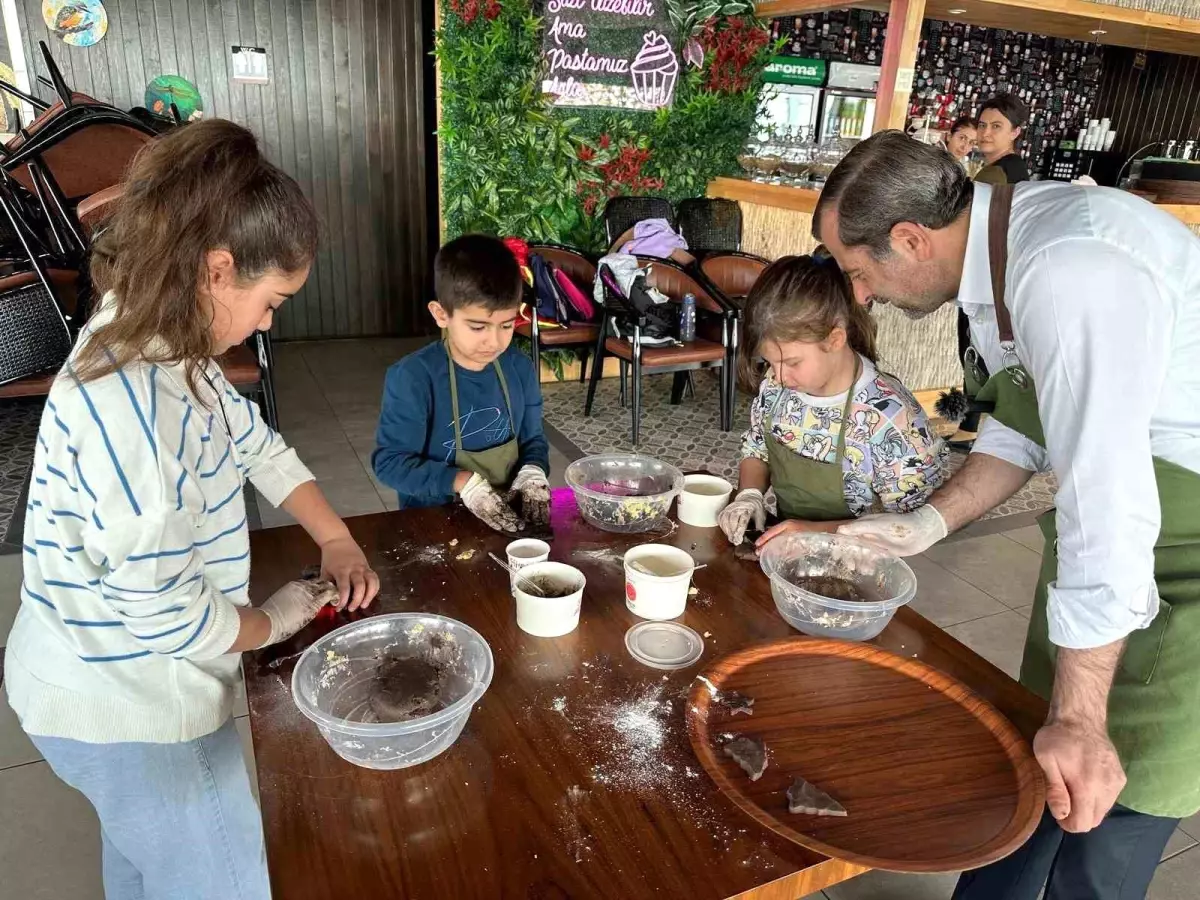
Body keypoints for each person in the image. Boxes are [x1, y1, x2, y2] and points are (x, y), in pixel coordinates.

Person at [814, 130, 1200, 900]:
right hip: (1106, 568)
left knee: (1104, 810)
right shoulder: (1005, 242)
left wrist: (1085, 715)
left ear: (910, 238)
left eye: (858, 273)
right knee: (1031, 785)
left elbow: (1108, 499)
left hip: (1184, 556)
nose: (860, 296)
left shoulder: (1071, 268)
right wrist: (927, 524)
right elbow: (1024, 420)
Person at [3, 119, 380, 900]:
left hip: (98, 675)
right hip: (132, 706)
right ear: (216, 270)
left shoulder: (163, 345)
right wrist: (271, 622)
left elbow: (257, 446)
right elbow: (170, 618)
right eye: (271, 300)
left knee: (148, 860)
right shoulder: (133, 413)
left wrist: (336, 536)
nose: (271, 322)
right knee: (222, 877)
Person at [716, 252, 945, 550]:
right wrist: (749, 495)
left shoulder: (890, 418)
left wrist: (812, 532)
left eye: (794, 362)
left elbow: (906, 526)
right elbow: (758, 447)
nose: (781, 376)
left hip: (859, 568)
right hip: (787, 553)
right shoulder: (776, 387)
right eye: (771, 362)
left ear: (834, 340)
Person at [373, 234, 551, 532]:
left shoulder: (520, 368)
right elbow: (390, 463)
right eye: (478, 326)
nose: (494, 341)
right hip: (433, 523)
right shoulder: (413, 378)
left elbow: (532, 440)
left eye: (506, 325)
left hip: (506, 519)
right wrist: (462, 482)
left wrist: (533, 470)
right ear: (441, 314)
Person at [974, 93, 1030, 184]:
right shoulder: (1014, 166)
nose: (985, 133)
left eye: (996, 126)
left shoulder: (997, 172)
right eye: (982, 125)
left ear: (1015, 132)